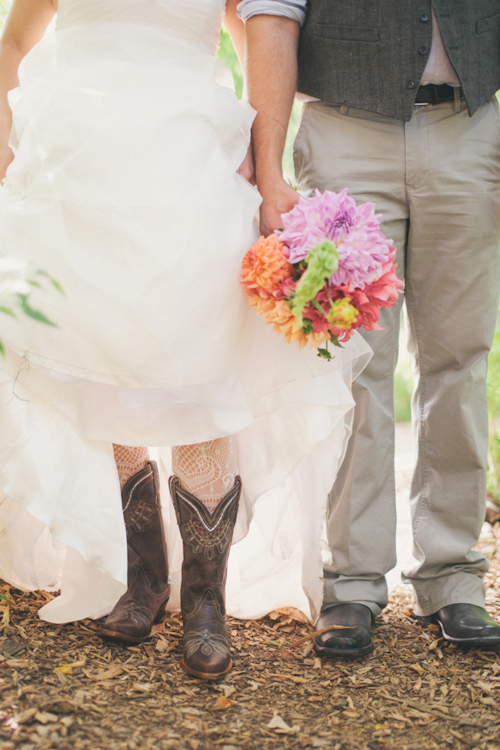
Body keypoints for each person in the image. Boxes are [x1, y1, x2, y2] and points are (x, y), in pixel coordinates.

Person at [0, 0, 370, 680]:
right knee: (106, 353)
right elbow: (13, 44)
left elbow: (257, 40)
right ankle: (145, 581)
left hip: (187, 162)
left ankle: (206, 604)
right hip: (79, 168)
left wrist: (265, 162)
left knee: (196, 359)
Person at [241, 0, 500, 656]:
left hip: (471, 127)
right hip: (344, 131)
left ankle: (452, 574)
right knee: (354, 360)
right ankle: (351, 578)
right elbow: (272, 13)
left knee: (460, 355)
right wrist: (268, 170)